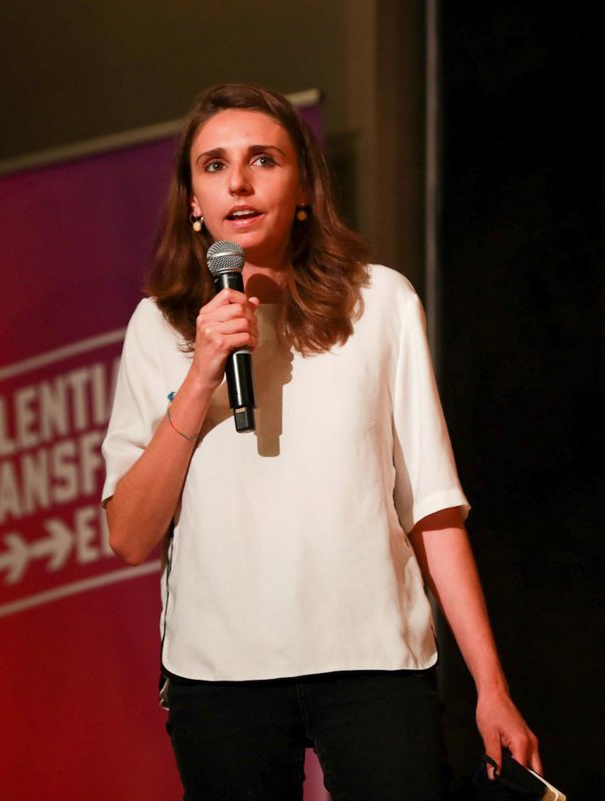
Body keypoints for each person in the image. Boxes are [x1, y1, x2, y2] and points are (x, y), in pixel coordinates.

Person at [100, 83, 540, 800]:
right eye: (214, 165)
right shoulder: (159, 327)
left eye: (262, 159)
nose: (238, 183)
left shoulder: (381, 303)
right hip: (221, 673)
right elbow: (129, 534)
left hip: (373, 661)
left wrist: (492, 686)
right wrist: (201, 374)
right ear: (192, 201)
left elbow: (432, 508)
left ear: (303, 187)